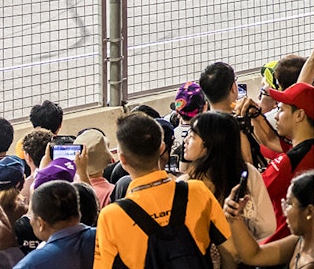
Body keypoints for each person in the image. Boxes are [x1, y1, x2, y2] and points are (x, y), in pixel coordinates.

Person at [94, 112, 231, 269]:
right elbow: (231, 252)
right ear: (162, 148)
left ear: (122, 159)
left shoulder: (111, 216)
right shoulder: (197, 190)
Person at [222, 172, 314, 269]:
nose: (285, 211)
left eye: (289, 204)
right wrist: (235, 218)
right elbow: (254, 255)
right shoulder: (303, 240)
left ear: (310, 211)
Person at [179, 111, 276, 241]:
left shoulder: (185, 185)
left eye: (192, 135)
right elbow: (267, 228)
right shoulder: (247, 173)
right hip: (248, 254)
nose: (186, 140)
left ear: (210, 143)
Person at [259, 82, 314, 242]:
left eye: (281, 109)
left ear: (299, 115)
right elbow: (270, 142)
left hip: (276, 243)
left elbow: (255, 194)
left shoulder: (288, 161)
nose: (276, 115)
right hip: (308, 238)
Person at [13, 181, 95, 269]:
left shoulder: (33, 263)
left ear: (40, 223)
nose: (30, 221)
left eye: (31, 215)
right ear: (78, 213)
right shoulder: (103, 237)